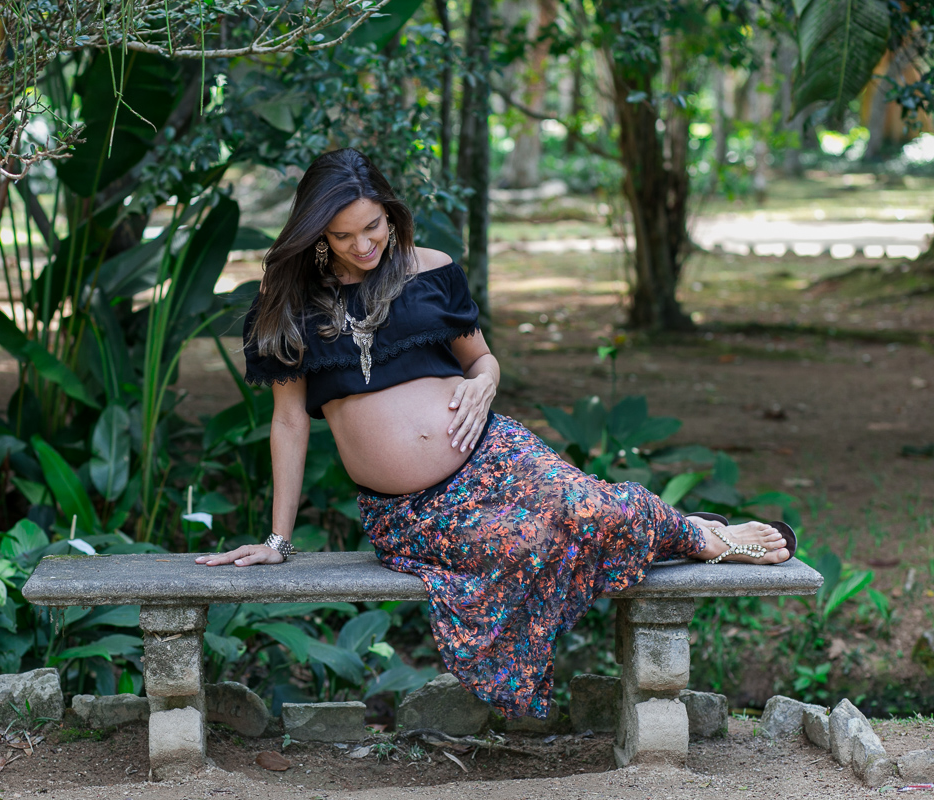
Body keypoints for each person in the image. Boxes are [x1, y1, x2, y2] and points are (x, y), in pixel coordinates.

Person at [195, 148, 794, 719]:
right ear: (318, 232)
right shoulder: (291, 304)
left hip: (494, 455)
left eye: (373, 226)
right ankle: (692, 532)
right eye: (344, 235)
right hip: (412, 511)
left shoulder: (430, 270)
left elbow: (482, 362)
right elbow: (290, 420)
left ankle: (700, 536)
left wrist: (485, 382)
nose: (364, 244)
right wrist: (277, 539)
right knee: (525, 542)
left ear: (390, 211)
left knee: (585, 508)